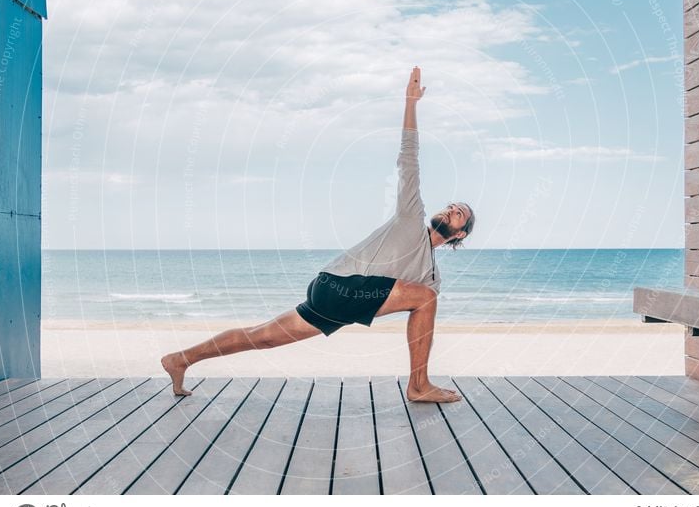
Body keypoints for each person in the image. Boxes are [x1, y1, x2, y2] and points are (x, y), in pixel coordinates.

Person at [161, 66, 476, 402]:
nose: (450, 211)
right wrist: (410, 102)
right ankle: (418, 386)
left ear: (459, 236)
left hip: (339, 296)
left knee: (263, 336)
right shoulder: (412, 217)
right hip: (339, 284)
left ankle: (181, 359)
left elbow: (419, 321)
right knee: (426, 299)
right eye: (450, 206)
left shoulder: (429, 276)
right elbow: (408, 159)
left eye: (459, 214)